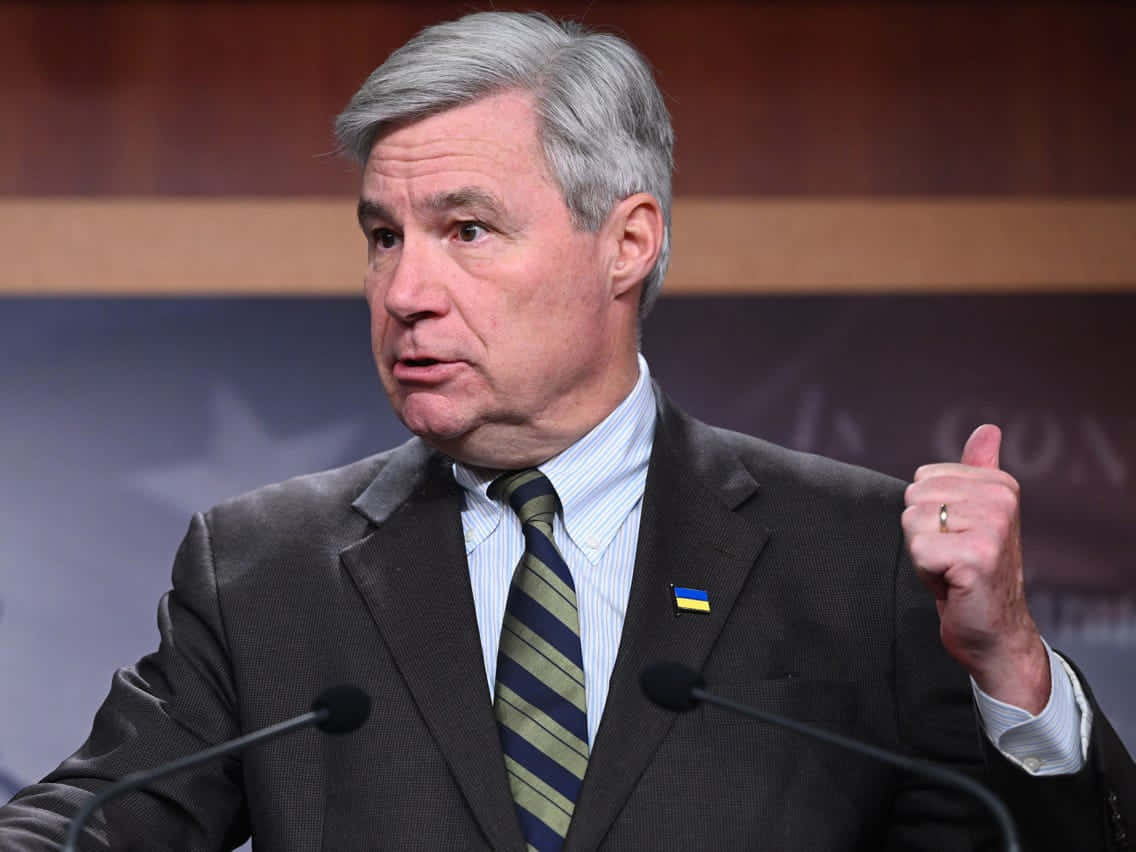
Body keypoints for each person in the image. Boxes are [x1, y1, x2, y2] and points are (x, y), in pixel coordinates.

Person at [2, 11, 1133, 851]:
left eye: (466, 230)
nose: (404, 290)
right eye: (383, 235)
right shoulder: (263, 570)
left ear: (626, 241)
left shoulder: (854, 558)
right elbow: (88, 824)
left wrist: (1008, 667)